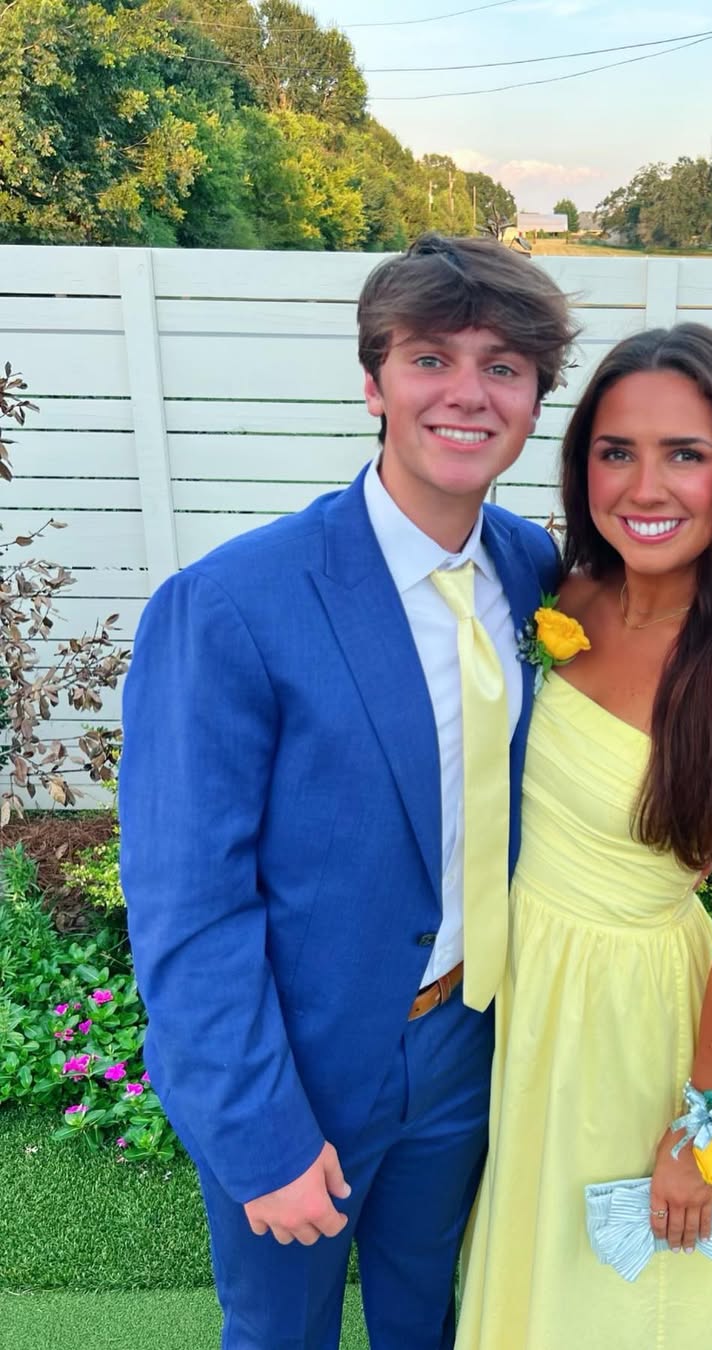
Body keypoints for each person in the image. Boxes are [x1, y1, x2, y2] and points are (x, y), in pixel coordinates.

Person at [118, 233, 577, 1350]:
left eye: (503, 367)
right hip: (302, 1066)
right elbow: (188, 902)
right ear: (374, 383)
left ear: (535, 400)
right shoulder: (231, 603)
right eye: (431, 359)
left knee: (429, 1319)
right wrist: (258, 1133)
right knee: (281, 1333)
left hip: (467, 1043)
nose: (467, 394)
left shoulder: (532, 567)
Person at [456, 323, 712, 1348]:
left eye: (686, 455)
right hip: (523, 985)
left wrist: (702, 1135)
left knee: (616, 1300)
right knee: (527, 1254)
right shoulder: (569, 595)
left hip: (629, 1018)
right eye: (616, 451)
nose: (645, 487)